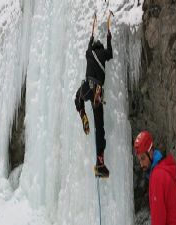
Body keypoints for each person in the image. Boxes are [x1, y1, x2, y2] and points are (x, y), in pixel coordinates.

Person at [74, 26, 113, 178]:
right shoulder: (103, 53)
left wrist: (90, 38)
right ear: (100, 47)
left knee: (78, 98)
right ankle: (100, 164)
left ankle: (82, 113)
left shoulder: (89, 53)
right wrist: (109, 37)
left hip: (86, 88)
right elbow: (110, 53)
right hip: (97, 88)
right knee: (99, 128)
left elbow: (88, 47)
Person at [134, 130, 176, 225]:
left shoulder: (157, 176)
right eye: (139, 159)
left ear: (151, 152)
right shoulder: (164, 166)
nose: (141, 164)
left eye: (143, 158)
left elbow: (159, 217)